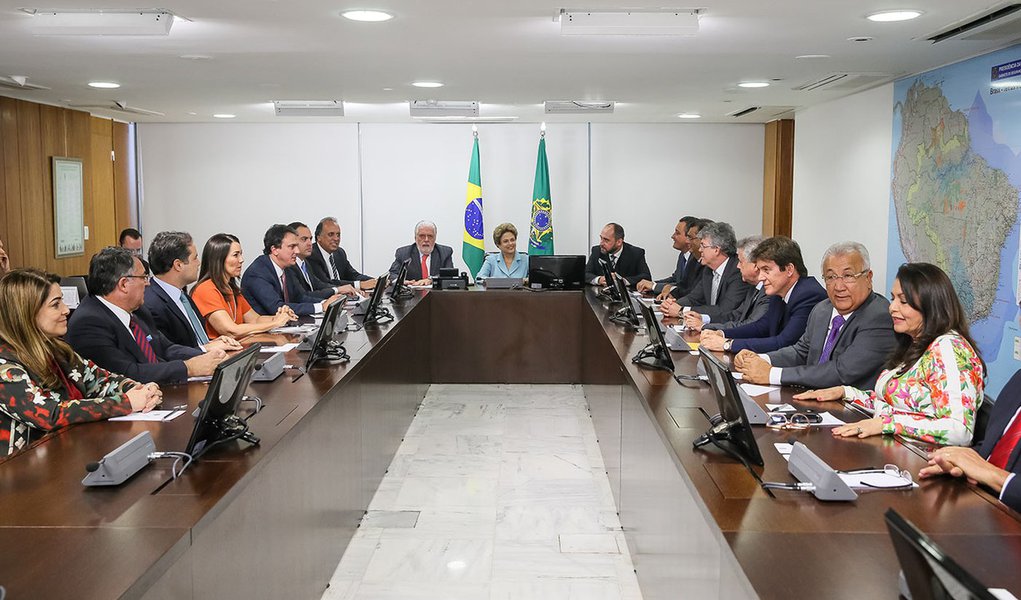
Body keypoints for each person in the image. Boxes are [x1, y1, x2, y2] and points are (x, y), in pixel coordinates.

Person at [794, 263, 984, 446]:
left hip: (925, 463)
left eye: (903, 301)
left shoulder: (949, 349)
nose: (892, 307)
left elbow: (959, 430)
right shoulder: (915, 343)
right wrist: (846, 392)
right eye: (892, 298)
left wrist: (887, 424)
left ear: (930, 305)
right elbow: (892, 404)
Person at [0, 269, 162, 456]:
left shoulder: (56, 349)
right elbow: (49, 414)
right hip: (20, 473)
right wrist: (125, 402)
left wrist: (139, 390)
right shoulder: (4, 365)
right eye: (55, 304)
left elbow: (101, 380)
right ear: (26, 313)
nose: (66, 310)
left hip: (65, 455)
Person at [733, 241, 897, 390]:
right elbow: (801, 351)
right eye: (831, 277)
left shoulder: (879, 316)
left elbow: (842, 371)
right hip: (812, 398)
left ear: (868, 278)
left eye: (848, 276)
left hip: (850, 410)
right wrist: (760, 359)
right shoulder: (822, 309)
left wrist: (771, 374)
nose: (838, 286)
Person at [66, 247, 226, 384]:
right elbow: (127, 373)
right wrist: (189, 368)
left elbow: (165, 348)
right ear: (123, 284)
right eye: (143, 277)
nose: (148, 283)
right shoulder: (88, 323)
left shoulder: (137, 310)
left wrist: (206, 356)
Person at [700, 236, 827, 354]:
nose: (760, 277)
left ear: (789, 269)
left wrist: (728, 344)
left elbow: (784, 342)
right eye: (760, 270)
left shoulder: (808, 295)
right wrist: (721, 333)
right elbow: (762, 327)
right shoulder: (779, 292)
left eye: (766, 270)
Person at [919, 368, 1021, 512]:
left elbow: (991, 469)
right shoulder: (1018, 379)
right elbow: (994, 448)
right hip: (980, 504)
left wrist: (994, 475)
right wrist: (958, 459)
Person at [144, 231, 241, 351]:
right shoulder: (151, 304)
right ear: (178, 265)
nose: (199, 263)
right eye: (194, 258)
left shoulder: (183, 297)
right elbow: (166, 353)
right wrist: (205, 349)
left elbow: (192, 341)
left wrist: (216, 342)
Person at [192, 234, 295, 339]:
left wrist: (281, 317)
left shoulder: (231, 288)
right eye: (236, 255)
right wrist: (275, 323)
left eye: (241, 254)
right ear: (219, 259)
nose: (241, 260)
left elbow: (255, 319)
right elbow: (231, 330)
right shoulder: (206, 289)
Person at [241, 224, 347, 316]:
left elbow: (299, 297)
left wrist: (328, 302)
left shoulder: (287, 267)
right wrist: (321, 307)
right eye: (292, 246)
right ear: (275, 250)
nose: (297, 251)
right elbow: (277, 308)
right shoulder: (258, 273)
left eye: (296, 246)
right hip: (263, 334)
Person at [661, 222, 751, 321]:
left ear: (716, 249)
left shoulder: (737, 271)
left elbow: (725, 310)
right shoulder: (708, 269)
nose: (700, 250)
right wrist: (672, 305)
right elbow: (693, 298)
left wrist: (682, 310)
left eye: (703, 246)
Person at [685, 235, 774, 333]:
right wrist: (703, 318)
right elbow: (735, 315)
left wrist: (705, 326)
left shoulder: (769, 293)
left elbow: (750, 325)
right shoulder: (754, 288)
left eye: (740, 262)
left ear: (755, 265)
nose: (738, 266)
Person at [287, 221, 362, 299]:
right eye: (304, 239)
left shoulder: (304, 262)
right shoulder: (290, 266)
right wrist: (333, 294)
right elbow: (303, 296)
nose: (309, 243)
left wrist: (340, 290)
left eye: (310, 239)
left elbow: (319, 285)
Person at [636, 216, 702, 299]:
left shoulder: (698, 259)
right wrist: (652, 283)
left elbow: (687, 289)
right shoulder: (683, 255)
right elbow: (675, 279)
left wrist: (654, 286)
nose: (672, 236)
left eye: (677, 233)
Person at [307, 217, 376, 290]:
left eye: (338, 235)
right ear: (319, 237)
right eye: (331, 234)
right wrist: (359, 285)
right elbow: (326, 282)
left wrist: (374, 281)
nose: (336, 239)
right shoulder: (311, 255)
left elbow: (353, 275)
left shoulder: (339, 253)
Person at [584, 223, 652, 287]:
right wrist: (599, 280)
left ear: (619, 242)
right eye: (601, 238)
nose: (601, 243)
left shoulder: (636, 253)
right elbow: (585, 274)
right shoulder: (596, 251)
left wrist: (623, 281)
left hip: (626, 297)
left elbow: (646, 277)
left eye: (606, 240)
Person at [388, 221, 454, 286]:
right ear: (415, 238)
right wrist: (401, 281)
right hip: (412, 294)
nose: (426, 240)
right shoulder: (403, 253)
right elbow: (392, 274)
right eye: (422, 236)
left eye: (430, 236)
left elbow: (450, 274)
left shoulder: (445, 252)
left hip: (437, 295)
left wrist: (431, 279)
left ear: (435, 238)